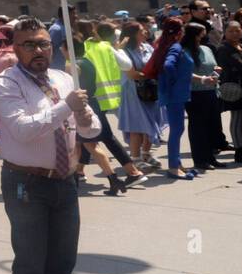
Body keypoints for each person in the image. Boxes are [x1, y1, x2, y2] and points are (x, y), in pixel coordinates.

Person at [0, 17, 101, 274]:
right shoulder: (6, 83)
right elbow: (23, 129)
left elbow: (91, 129)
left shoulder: (63, 79)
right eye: (29, 45)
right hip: (26, 184)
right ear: (14, 48)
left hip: (65, 180)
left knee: (62, 262)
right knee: (30, 265)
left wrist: (83, 115)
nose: (38, 51)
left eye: (43, 44)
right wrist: (67, 107)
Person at [79, 22, 148, 194]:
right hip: (106, 97)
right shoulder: (106, 47)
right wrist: (116, 48)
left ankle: (133, 171)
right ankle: (79, 171)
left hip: (90, 98)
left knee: (101, 137)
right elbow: (126, 65)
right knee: (86, 138)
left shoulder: (82, 49)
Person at [115, 20, 165, 170]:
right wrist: (150, 74)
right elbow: (132, 75)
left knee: (152, 123)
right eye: (142, 31)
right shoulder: (124, 52)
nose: (146, 32)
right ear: (133, 34)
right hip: (134, 92)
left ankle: (146, 153)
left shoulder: (148, 47)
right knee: (137, 126)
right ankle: (135, 158)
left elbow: (156, 65)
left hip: (151, 90)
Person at [149, 18, 195, 178]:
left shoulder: (166, 45)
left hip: (172, 94)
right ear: (179, 32)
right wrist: (174, 80)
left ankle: (177, 163)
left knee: (177, 129)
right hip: (175, 95)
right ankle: (173, 167)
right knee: (177, 130)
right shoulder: (175, 46)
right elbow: (169, 65)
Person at [183, 22, 222, 171]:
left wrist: (216, 72)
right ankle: (200, 160)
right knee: (198, 128)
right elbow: (185, 72)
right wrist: (203, 79)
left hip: (211, 91)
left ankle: (211, 158)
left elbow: (213, 66)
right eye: (203, 32)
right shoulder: (184, 51)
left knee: (211, 126)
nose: (206, 34)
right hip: (195, 93)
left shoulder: (206, 48)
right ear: (197, 34)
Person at [216, 21, 242, 163]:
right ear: (225, 32)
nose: (235, 33)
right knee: (237, 119)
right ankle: (240, 151)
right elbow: (240, 65)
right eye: (231, 31)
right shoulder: (223, 49)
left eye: (237, 30)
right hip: (235, 90)